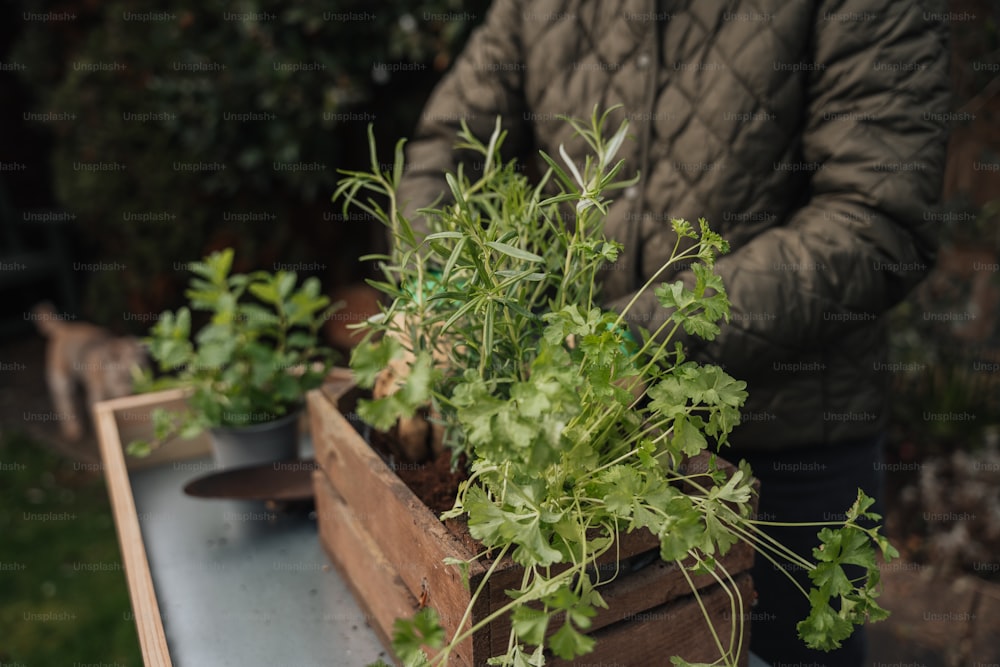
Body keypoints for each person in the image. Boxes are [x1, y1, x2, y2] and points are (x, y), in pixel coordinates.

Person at [392, 2, 951, 664]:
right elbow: (447, 148)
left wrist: (642, 334)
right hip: (589, 434)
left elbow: (876, 220)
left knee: (779, 642)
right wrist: (435, 293)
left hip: (784, 445)